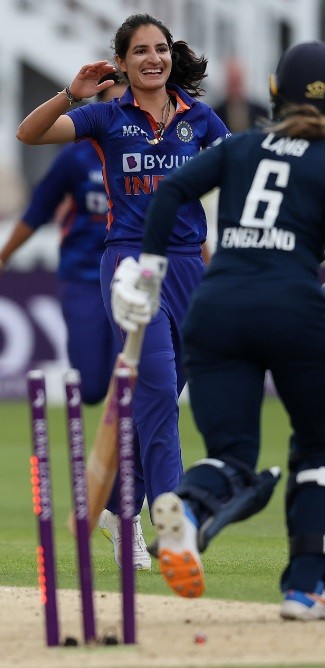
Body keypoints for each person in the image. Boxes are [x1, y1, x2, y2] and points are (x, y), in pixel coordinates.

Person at [111, 41, 325, 620]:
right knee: (324, 444)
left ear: (274, 94)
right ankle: (302, 590)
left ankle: (186, 510)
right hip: (294, 311)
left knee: (232, 456)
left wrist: (150, 272)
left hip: (217, 311)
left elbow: (170, 191)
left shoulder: (240, 146)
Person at [16, 13, 230, 575]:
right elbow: (28, 134)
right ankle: (170, 524)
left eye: (160, 49)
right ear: (122, 62)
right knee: (156, 387)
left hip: (188, 267)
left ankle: (116, 509)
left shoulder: (200, 118)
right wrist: (70, 95)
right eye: (140, 51)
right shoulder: (106, 115)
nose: (152, 58)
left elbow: (242, 168)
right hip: (131, 263)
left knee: (155, 399)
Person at [1, 80, 126, 405]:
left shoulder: (153, 152)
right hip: (83, 274)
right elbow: (39, 209)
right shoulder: (77, 156)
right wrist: (4, 255)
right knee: (92, 387)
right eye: (114, 106)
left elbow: (183, 212)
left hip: (133, 278)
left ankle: (133, 438)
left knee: (132, 380)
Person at [211, 57, 270, 133]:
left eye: (237, 83)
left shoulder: (261, 114)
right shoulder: (214, 115)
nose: (235, 90)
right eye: (232, 84)